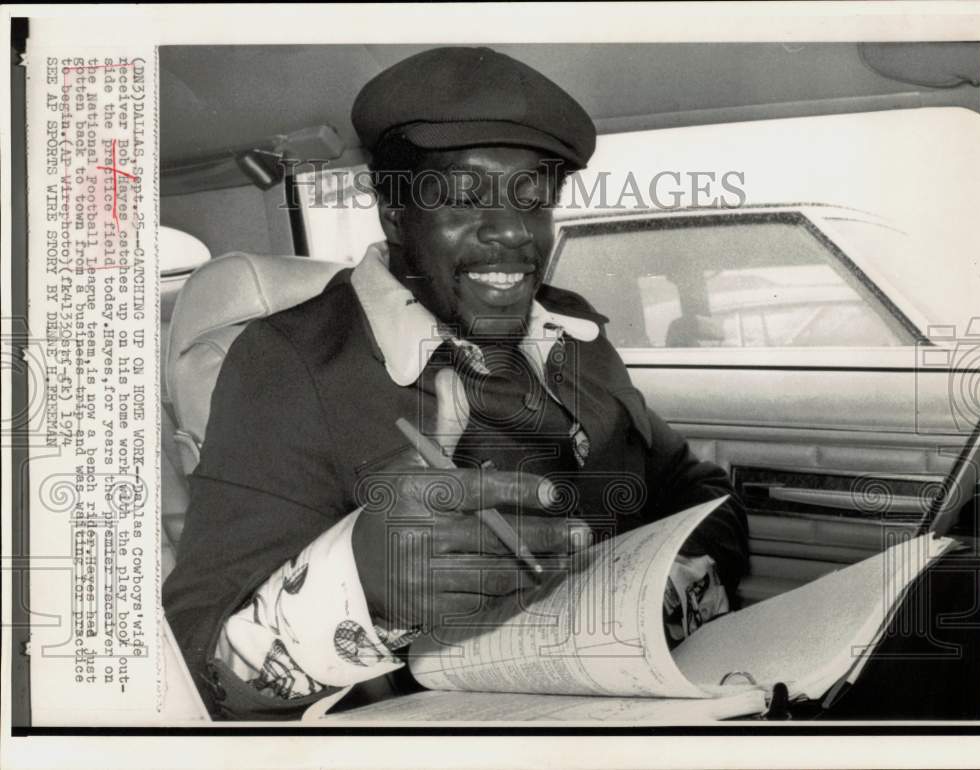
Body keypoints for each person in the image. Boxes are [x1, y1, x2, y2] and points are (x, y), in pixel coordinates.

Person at [163, 46, 749, 721]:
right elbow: (191, 661)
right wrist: (360, 584)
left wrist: (671, 596)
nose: (511, 233)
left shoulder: (572, 331)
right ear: (391, 209)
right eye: (464, 197)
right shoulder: (289, 365)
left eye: (533, 199)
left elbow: (695, 490)